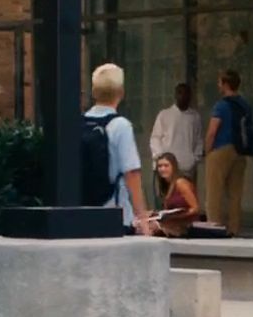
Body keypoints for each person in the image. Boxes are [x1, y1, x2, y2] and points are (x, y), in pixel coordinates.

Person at [85, 63, 150, 235]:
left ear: (94, 92)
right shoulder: (120, 126)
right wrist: (142, 219)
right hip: (114, 215)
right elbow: (132, 174)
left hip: (83, 214)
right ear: (120, 93)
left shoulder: (80, 123)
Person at [204, 70, 251, 235]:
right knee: (235, 194)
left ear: (225, 84)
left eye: (219, 82)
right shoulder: (244, 105)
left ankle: (214, 228)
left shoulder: (221, 105)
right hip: (239, 151)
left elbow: (212, 131)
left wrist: (207, 151)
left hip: (221, 149)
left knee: (214, 193)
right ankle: (234, 229)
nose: (218, 85)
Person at [151, 83, 204, 190]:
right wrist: (160, 158)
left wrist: (194, 159)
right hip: (167, 169)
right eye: (180, 93)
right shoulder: (164, 115)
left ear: (190, 96)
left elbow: (199, 140)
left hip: (187, 169)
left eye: (186, 93)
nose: (182, 96)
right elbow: (155, 138)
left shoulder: (195, 117)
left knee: (187, 201)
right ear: (175, 95)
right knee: (166, 202)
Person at [145, 152, 202, 238]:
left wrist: (177, 216)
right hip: (173, 224)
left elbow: (195, 208)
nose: (162, 169)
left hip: (186, 226)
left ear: (173, 167)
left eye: (166, 165)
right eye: (160, 166)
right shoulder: (166, 187)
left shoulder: (180, 183)